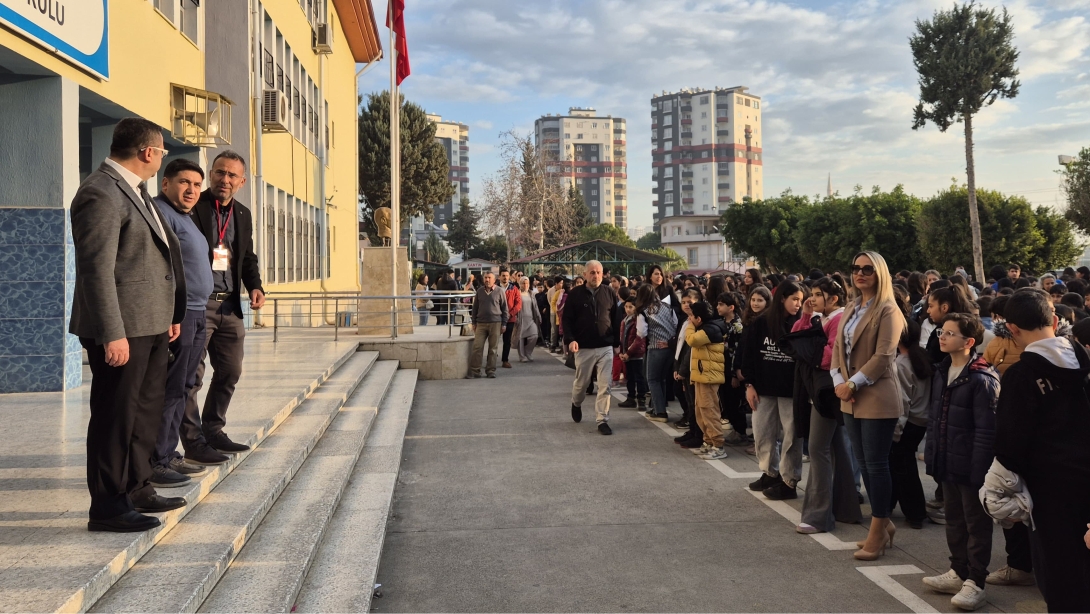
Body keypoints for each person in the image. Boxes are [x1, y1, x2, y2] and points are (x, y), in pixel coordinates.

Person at [70, 118, 187, 532]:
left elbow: (151, 261)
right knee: (115, 416)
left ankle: (137, 488)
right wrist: (111, 332)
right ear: (148, 152)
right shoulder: (101, 192)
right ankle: (107, 505)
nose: (161, 159)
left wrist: (168, 316)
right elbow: (96, 270)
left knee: (144, 411)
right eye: (162, 152)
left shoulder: (138, 192)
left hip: (151, 324)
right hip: (123, 328)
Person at [994, 289, 1090, 612]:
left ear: (1013, 329)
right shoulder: (1084, 364)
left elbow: (1009, 445)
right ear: (1053, 319)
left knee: (1062, 584)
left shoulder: (1021, 376)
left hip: (1050, 497)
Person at [184, 150, 265, 462]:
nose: (225, 179)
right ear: (211, 173)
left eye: (232, 175)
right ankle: (193, 441)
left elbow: (247, 257)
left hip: (230, 306)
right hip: (198, 305)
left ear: (241, 182)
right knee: (191, 376)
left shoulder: (242, 214)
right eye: (220, 172)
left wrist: (255, 286)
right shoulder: (194, 207)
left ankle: (213, 429)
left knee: (230, 370)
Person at [831, 251, 906, 561]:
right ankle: (883, 525)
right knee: (862, 462)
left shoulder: (888, 310)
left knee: (875, 465)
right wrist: (838, 380)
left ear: (880, 274)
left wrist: (852, 383)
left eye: (868, 269)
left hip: (876, 395)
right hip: (849, 397)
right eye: (856, 269)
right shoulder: (850, 307)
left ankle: (877, 530)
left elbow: (885, 355)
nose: (860, 274)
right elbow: (837, 349)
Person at [922, 313, 999, 611]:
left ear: (968, 342)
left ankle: (976, 581)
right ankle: (958, 571)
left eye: (950, 333)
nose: (942, 336)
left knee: (976, 524)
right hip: (947, 461)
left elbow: (987, 431)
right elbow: (934, 418)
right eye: (942, 331)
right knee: (954, 520)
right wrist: (932, 455)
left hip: (971, 467)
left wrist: (979, 471)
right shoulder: (942, 371)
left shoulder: (982, 378)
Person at [150, 159, 219, 488]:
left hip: (197, 311)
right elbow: (159, 269)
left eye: (196, 184)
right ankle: (157, 460)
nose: (191, 190)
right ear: (166, 184)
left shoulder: (186, 217)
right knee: (171, 387)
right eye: (183, 183)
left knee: (185, 385)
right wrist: (168, 314)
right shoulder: (161, 214)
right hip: (180, 315)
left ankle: (171, 452)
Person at [788, 275, 862, 533]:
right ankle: (845, 508)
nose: (812, 298)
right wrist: (807, 316)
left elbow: (829, 357)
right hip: (820, 389)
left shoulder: (839, 319)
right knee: (834, 448)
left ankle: (818, 517)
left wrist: (810, 349)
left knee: (818, 449)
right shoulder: (826, 317)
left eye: (818, 295)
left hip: (829, 391)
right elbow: (796, 340)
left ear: (833, 298)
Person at [740, 279, 805, 501]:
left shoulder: (802, 324)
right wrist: (749, 384)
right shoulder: (761, 323)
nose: (798, 304)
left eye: (801, 300)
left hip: (791, 391)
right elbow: (748, 354)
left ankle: (789, 481)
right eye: (794, 299)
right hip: (763, 389)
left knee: (791, 437)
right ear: (782, 298)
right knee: (763, 434)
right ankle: (770, 473)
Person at [563, 260, 620, 435]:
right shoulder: (575, 294)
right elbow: (567, 320)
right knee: (582, 383)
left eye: (598, 272)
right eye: (592, 272)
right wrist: (570, 339)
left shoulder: (609, 292)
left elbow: (617, 319)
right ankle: (576, 402)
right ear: (585, 274)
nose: (596, 276)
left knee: (605, 385)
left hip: (605, 346)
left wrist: (617, 343)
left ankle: (602, 420)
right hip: (584, 347)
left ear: (603, 274)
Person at [889, 319, 931, 530]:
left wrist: (896, 431)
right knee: (903, 465)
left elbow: (902, 401)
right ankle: (897, 506)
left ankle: (915, 512)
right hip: (921, 419)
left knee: (902, 466)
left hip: (908, 422)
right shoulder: (921, 357)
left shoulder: (901, 365)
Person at [686, 301, 729, 459]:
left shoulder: (710, 329)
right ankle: (708, 442)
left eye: (691, 316)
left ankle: (718, 446)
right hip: (702, 375)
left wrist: (690, 325)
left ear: (699, 318)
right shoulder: (707, 327)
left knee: (709, 410)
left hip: (709, 376)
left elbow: (691, 340)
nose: (689, 319)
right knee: (700, 409)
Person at [635, 283, 678, 424]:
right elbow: (676, 323)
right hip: (670, 347)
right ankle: (658, 407)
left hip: (655, 347)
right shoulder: (667, 307)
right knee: (662, 379)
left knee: (652, 380)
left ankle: (660, 412)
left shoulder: (643, 311)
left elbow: (641, 333)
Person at [716, 292, 747, 443]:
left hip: (731, 369)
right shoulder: (721, 323)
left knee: (735, 402)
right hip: (722, 368)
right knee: (726, 400)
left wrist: (735, 373)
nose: (718, 307)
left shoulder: (737, 326)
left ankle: (740, 431)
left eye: (721, 304)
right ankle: (736, 429)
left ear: (731, 307)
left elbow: (738, 351)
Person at [467, 272, 508, 379]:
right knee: (477, 347)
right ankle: (475, 371)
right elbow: (475, 308)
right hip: (481, 323)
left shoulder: (500, 291)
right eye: (485, 278)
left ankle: (490, 371)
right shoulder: (480, 291)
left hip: (495, 323)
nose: (487, 280)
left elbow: (505, 309)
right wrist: (474, 322)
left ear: (494, 280)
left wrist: (504, 324)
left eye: (489, 278)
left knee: (493, 349)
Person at [618, 297, 648, 410]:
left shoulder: (638, 320)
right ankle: (631, 398)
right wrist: (622, 352)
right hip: (627, 353)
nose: (628, 309)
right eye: (626, 306)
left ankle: (641, 399)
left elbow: (639, 339)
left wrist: (629, 352)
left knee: (639, 377)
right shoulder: (624, 320)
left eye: (631, 307)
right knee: (629, 377)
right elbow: (622, 338)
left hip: (637, 354)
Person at [498, 269, 522, 368]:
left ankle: (505, 360)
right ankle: (490, 359)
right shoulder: (495, 288)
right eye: (503, 275)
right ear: (499, 276)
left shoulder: (514, 288)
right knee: (493, 340)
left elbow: (518, 303)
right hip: (496, 318)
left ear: (509, 277)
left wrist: (511, 313)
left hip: (510, 318)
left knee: (507, 340)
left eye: (507, 275)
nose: (505, 277)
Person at [516, 277, 540, 362]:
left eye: (527, 283)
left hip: (530, 318)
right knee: (520, 338)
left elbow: (535, 306)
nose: (525, 285)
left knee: (534, 335)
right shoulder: (517, 293)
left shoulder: (531, 294)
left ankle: (528, 352)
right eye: (523, 283)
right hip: (520, 318)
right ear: (520, 284)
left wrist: (538, 316)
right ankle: (522, 356)